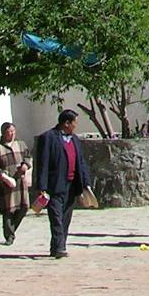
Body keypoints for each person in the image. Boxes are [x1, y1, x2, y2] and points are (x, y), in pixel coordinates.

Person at [31, 107, 92, 258]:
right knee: (56, 217)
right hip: (54, 185)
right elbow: (43, 164)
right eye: (74, 123)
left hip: (71, 185)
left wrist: (86, 183)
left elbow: (81, 162)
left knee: (65, 217)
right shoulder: (48, 138)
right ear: (66, 123)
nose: (75, 126)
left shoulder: (75, 140)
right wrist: (42, 187)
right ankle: (59, 248)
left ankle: (58, 246)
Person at [0, 120, 32, 246]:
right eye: (9, 132)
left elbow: (28, 156)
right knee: (8, 209)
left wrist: (26, 165)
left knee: (24, 207)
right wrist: (3, 176)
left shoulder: (21, 144)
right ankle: (9, 235)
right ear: (3, 133)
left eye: (13, 131)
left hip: (21, 181)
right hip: (7, 183)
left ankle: (12, 228)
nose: (12, 134)